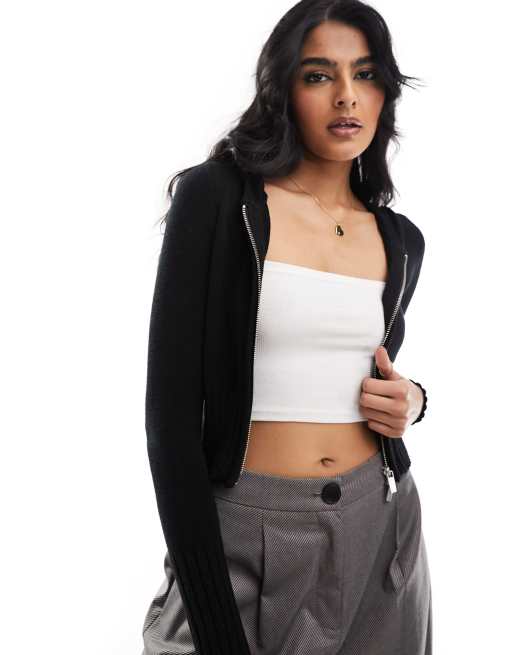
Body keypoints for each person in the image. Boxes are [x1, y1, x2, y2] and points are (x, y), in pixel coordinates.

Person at [141, 1, 432, 653]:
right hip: (243, 530)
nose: (346, 96)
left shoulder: (400, 239)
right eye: (318, 75)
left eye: (365, 74)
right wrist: (213, 618)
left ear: (384, 92)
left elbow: (361, 368)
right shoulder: (218, 200)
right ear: (283, 90)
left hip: (379, 527)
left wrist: (414, 400)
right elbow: (169, 418)